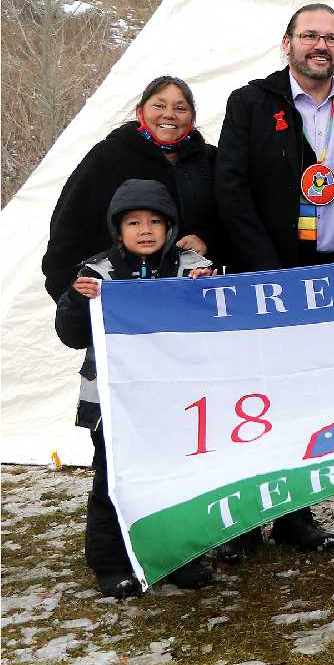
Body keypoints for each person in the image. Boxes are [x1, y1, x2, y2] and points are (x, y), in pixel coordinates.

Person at [213, 3, 334, 559]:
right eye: (309, 36)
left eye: (331, 37)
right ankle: (244, 523)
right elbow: (231, 189)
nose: (319, 46)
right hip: (268, 274)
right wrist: (267, 269)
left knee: (310, 400)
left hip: (330, 272)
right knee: (258, 398)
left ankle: (296, 516)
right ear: (287, 43)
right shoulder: (252, 102)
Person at [54, 180, 218, 597]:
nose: (145, 229)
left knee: (180, 480)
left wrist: (210, 287)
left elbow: (220, 322)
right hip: (114, 403)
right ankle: (111, 562)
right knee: (113, 481)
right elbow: (71, 336)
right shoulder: (97, 272)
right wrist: (76, 301)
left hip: (177, 401)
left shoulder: (191, 266)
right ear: (118, 228)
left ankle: (180, 555)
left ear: (169, 226)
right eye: (134, 222)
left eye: (155, 222)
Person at [42, 76, 217, 303]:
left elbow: (229, 217)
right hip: (118, 299)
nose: (169, 114)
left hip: (192, 299)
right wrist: (71, 295)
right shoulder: (108, 156)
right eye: (159, 105)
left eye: (180, 108)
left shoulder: (209, 160)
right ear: (140, 111)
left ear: (191, 117)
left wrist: (206, 238)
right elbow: (70, 225)